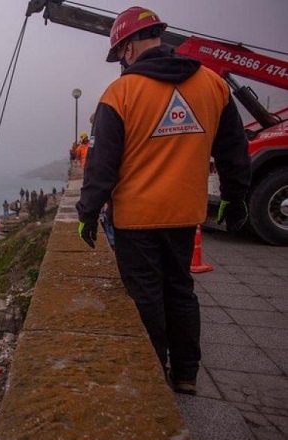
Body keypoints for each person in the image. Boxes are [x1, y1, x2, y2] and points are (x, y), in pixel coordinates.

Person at [75, 6, 250, 396]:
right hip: (185, 215)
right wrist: (236, 198)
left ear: (128, 47)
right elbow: (234, 151)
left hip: (136, 220)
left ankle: (154, 377)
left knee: (145, 298)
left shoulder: (120, 94)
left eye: (120, 54)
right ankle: (186, 374)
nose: (122, 61)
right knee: (180, 290)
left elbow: (102, 165)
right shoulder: (213, 85)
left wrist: (87, 213)